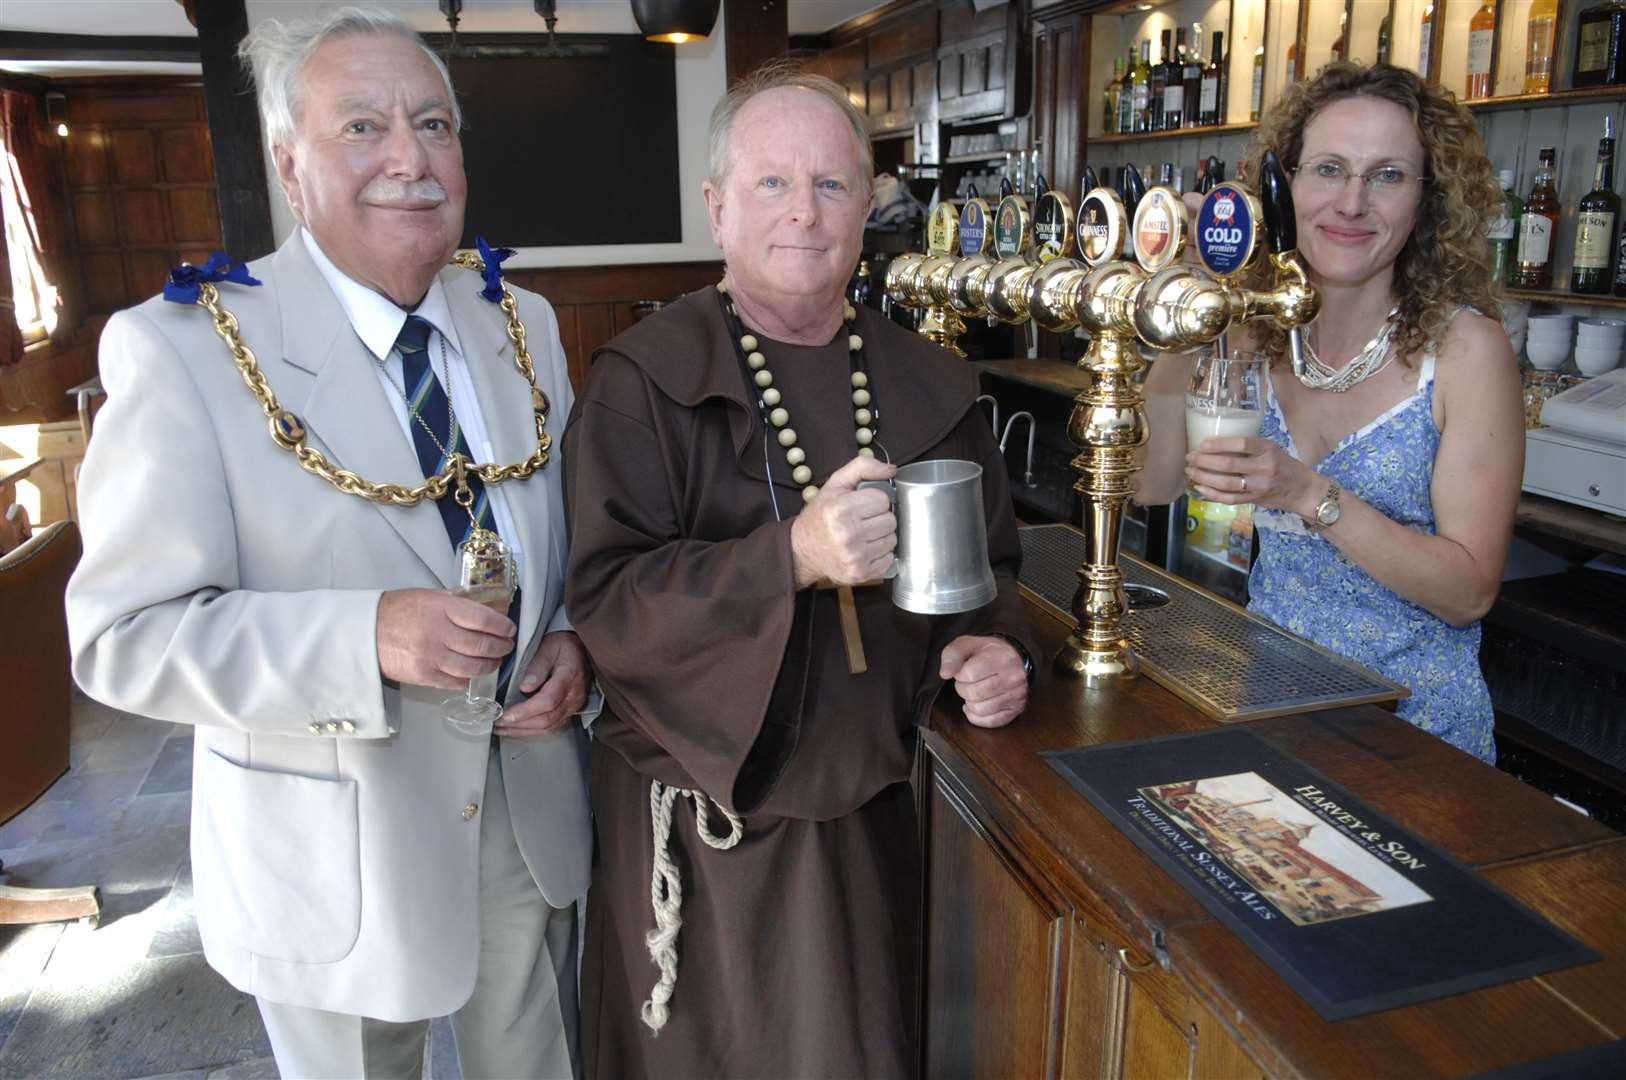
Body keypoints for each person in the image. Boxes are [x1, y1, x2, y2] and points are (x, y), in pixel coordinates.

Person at [65, 9, 591, 1077]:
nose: (410, 158)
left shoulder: (519, 324)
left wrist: (574, 640)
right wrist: (365, 639)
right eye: (362, 126)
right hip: (334, 853)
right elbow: (123, 637)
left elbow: (568, 540)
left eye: (433, 123)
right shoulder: (183, 351)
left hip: (525, 811)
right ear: (288, 165)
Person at [562, 63, 1037, 1077]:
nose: (804, 213)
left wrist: (999, 650)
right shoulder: (640, 383)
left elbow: (993, 572)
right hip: (705, 835)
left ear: (867, 210)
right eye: (772, 183)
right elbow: (608, 606)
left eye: (830, 185)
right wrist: (792, 558)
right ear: (717, 207)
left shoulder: (933, 383)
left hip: (883, 823)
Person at [1138, 61, 1522, 764]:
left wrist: (1308, 493)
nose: (1351, 202)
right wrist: (1186, 297)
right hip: (1268, 703)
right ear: (1284, 188)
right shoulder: (1249, 328)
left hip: (1414, 734)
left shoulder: (1467, 351)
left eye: (1388, 176)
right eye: (1328, 169)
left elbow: (1468, 592)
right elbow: (1153, 483)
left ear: (1426, 200)